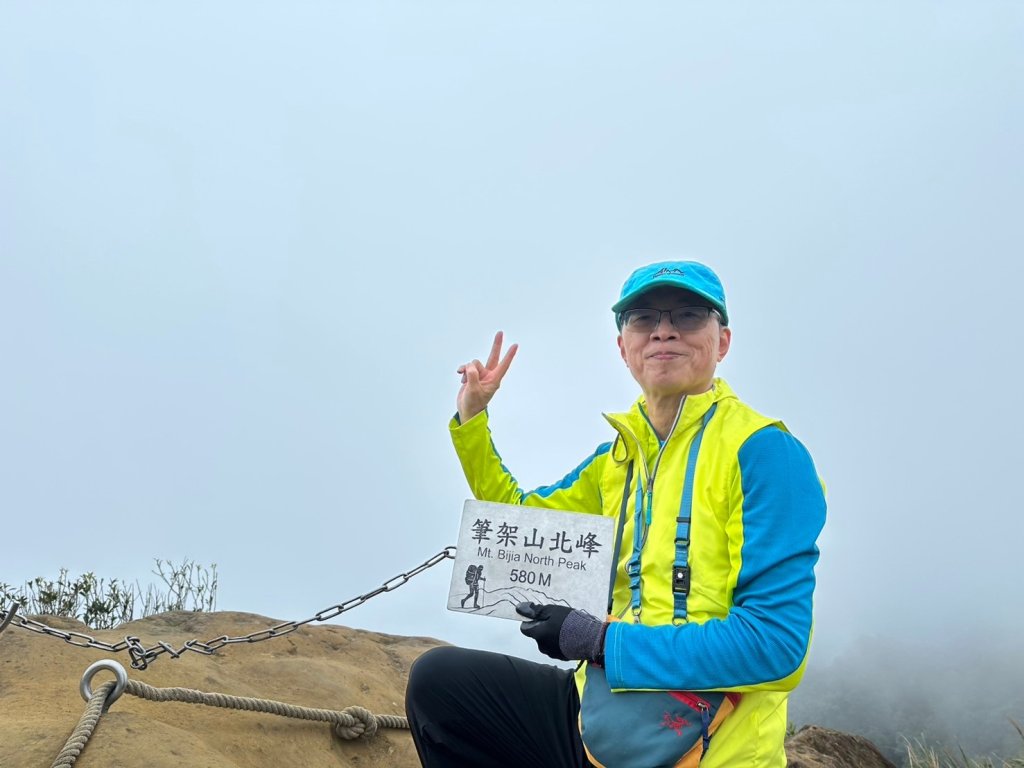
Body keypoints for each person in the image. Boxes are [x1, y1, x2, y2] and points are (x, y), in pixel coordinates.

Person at [405, 261, 826, 768]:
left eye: (689, 315)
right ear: (622, 346)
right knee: (440, 685)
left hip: (706, 746)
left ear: (724, 341)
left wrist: (602, 641)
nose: (663, 330)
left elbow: (774, 644)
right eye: (642, 318)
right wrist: (472, 419)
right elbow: (517, 522)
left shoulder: (766, 453)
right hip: (602, 714)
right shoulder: (617, 461)